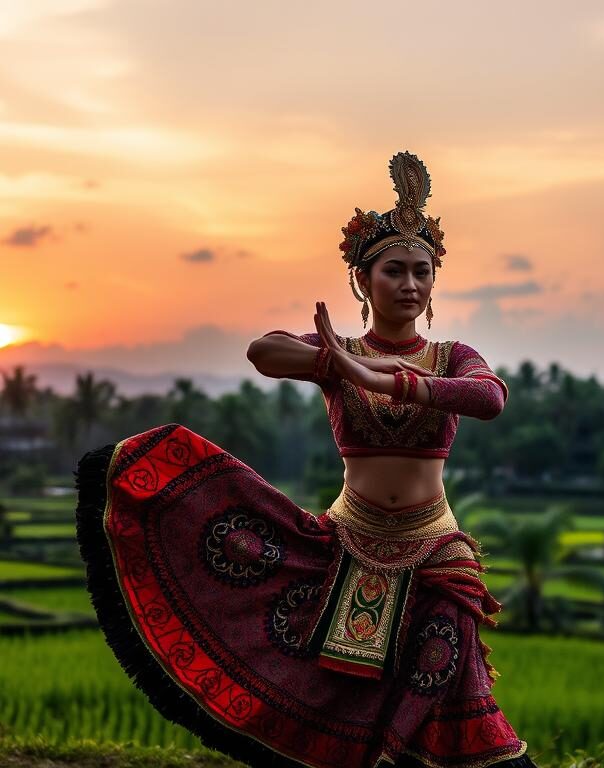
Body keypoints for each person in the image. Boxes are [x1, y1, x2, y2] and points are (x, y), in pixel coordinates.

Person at [75, 151, 537, 768]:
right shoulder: (336, 350)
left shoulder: (453, 356)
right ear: (363, 282)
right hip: (349, 535)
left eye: (422, 272)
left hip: (434, 547)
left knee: (443, 668)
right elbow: (263, 351)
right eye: (394, 270)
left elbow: (490, 398)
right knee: (345, 692)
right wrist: (335, 363)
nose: (410, 285)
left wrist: (377, 374)